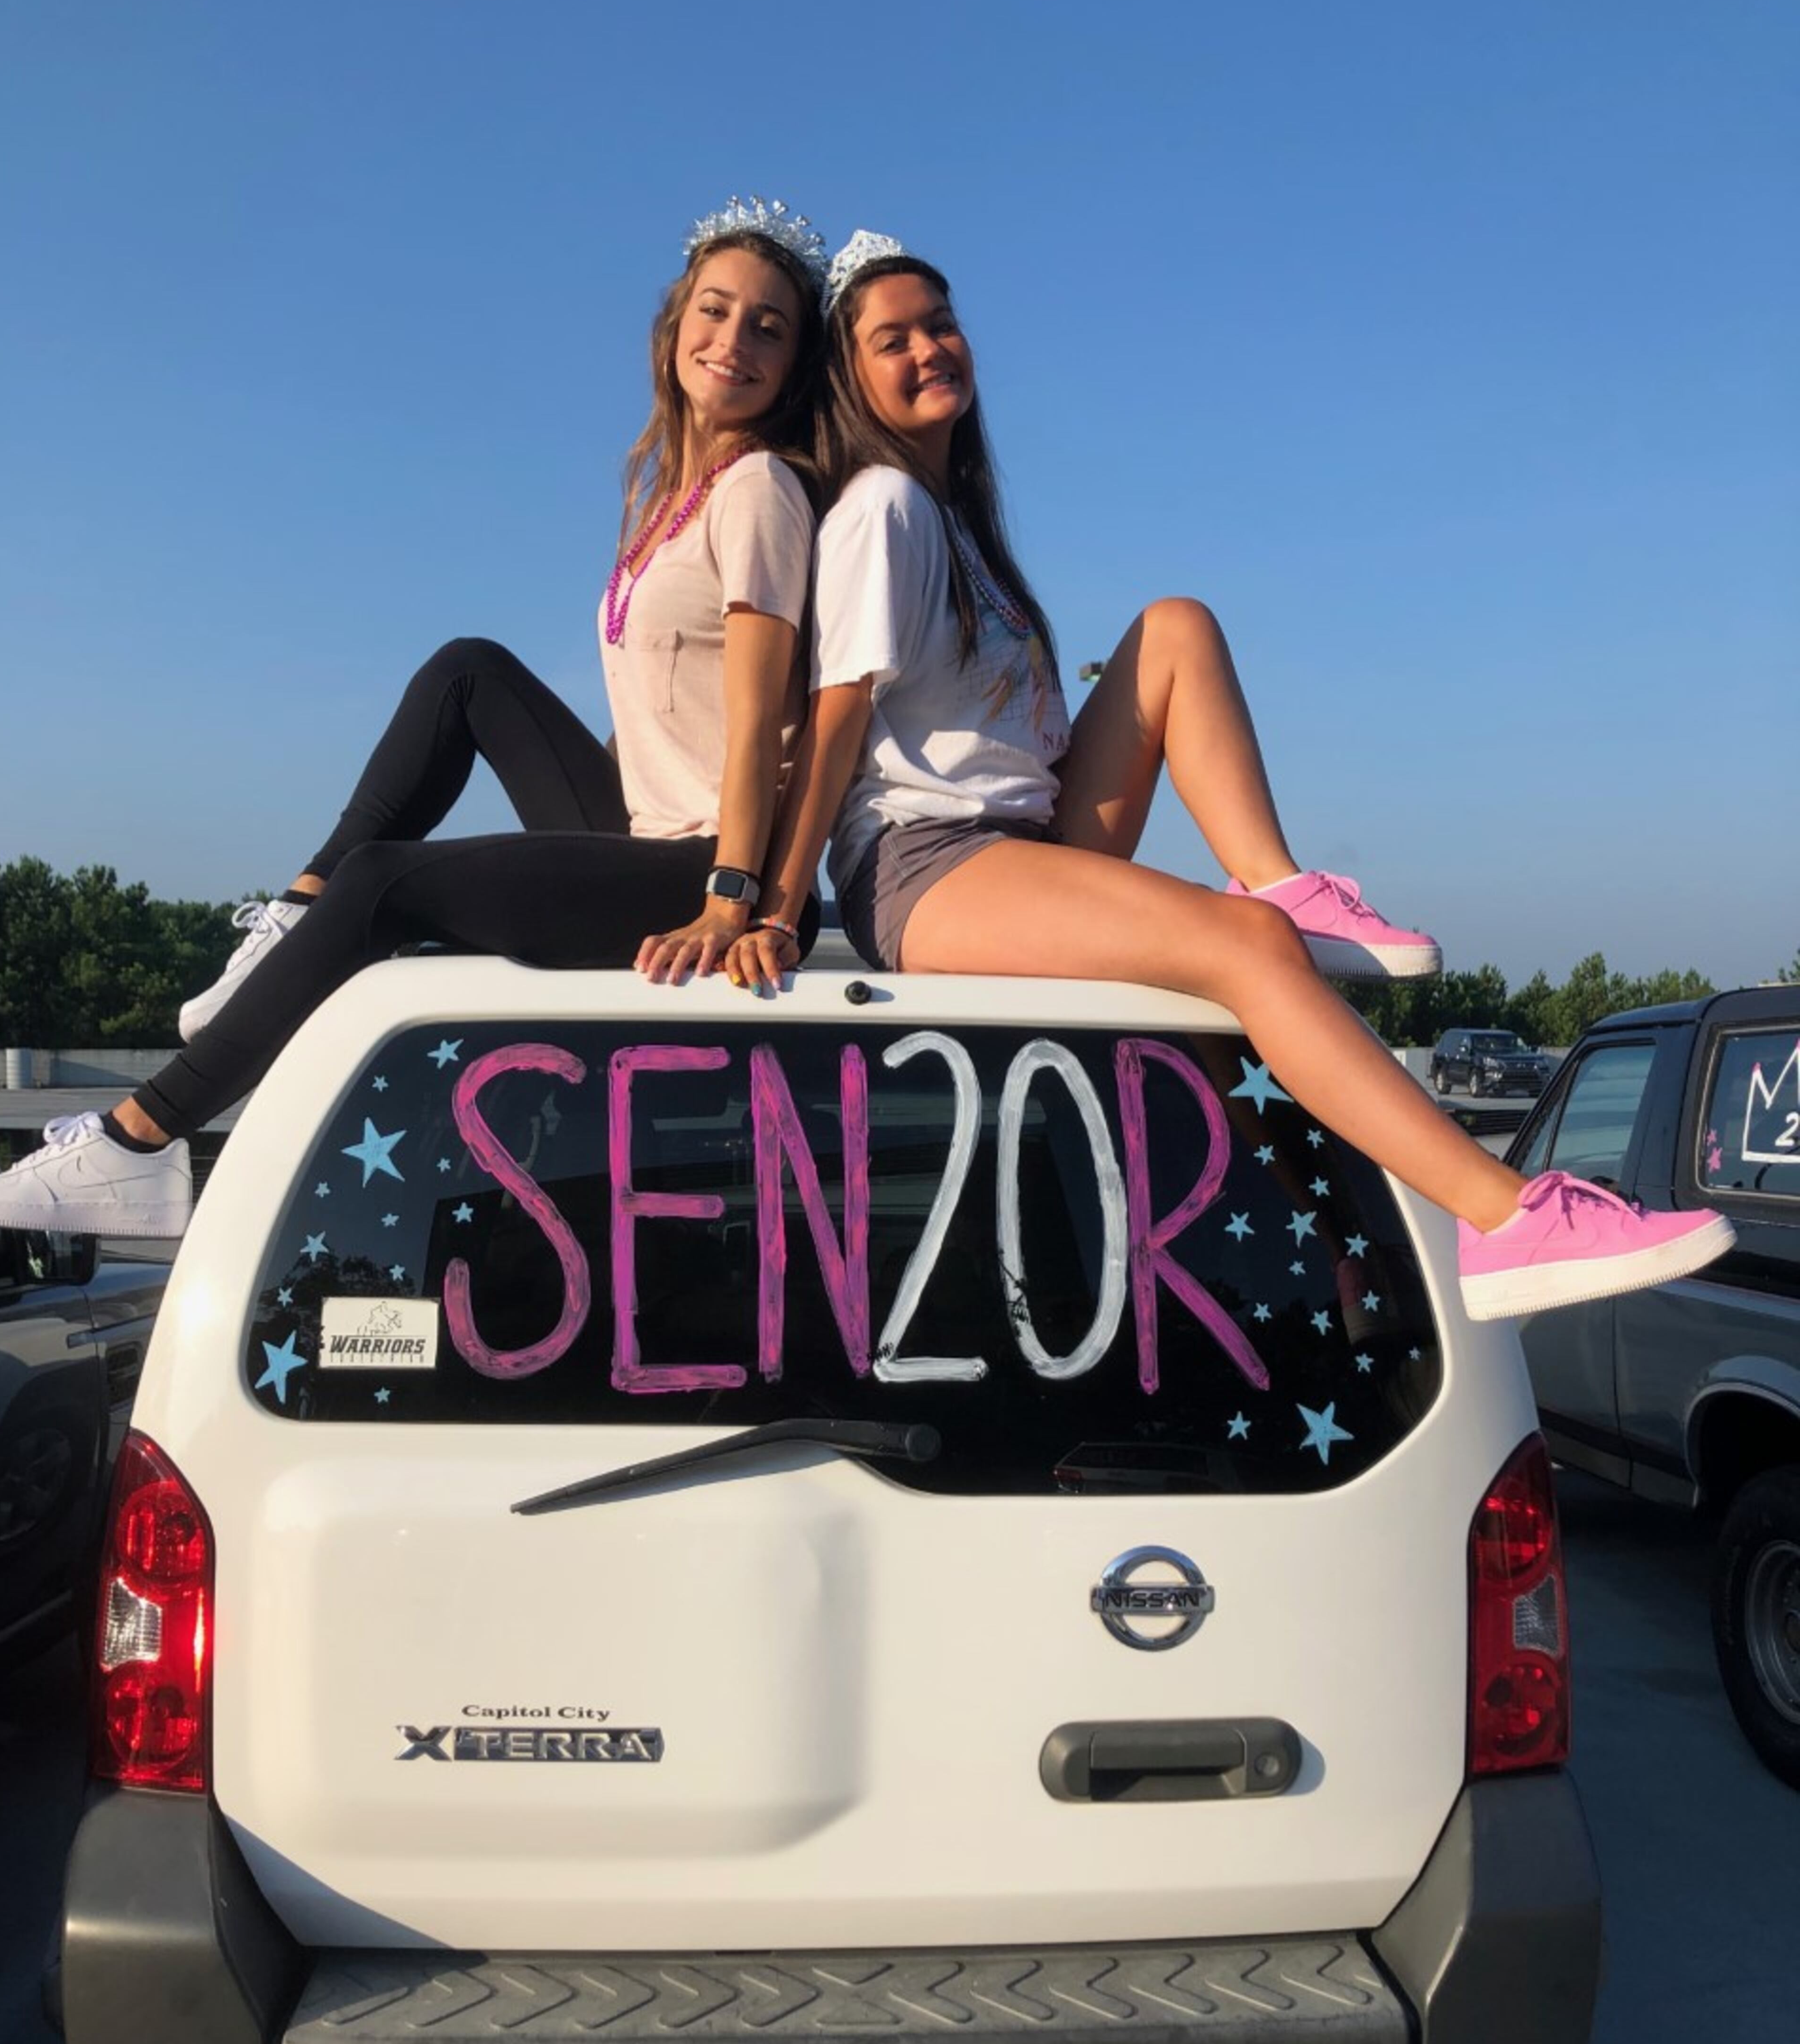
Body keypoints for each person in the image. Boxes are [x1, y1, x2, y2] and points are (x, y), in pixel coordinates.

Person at [727, 232, 1733, 1322]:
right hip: (926, 865)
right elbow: (838, 719)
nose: (930, 348)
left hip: (1020, 838)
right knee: (1241, 953)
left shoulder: (956, 520)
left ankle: (1281, 898)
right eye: (893, 340)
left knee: (1174, 630)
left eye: (940, 322)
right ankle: (1504, 1219)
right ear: (850, 376)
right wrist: (774, 906)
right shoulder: (883, 506)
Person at [0, 198, 830, 1240]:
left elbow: (755, 724)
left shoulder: (759, 492)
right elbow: (660, 717)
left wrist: (731, 897)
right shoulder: (668, 500)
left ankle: (139, 1144)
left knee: (388, 882)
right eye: (716, 310)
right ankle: (298, 911)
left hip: (707, 865)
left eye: (769, 327)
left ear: (795, 365)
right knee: (469, 670)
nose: (734, 341)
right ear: (674, 329)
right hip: (654, 829)